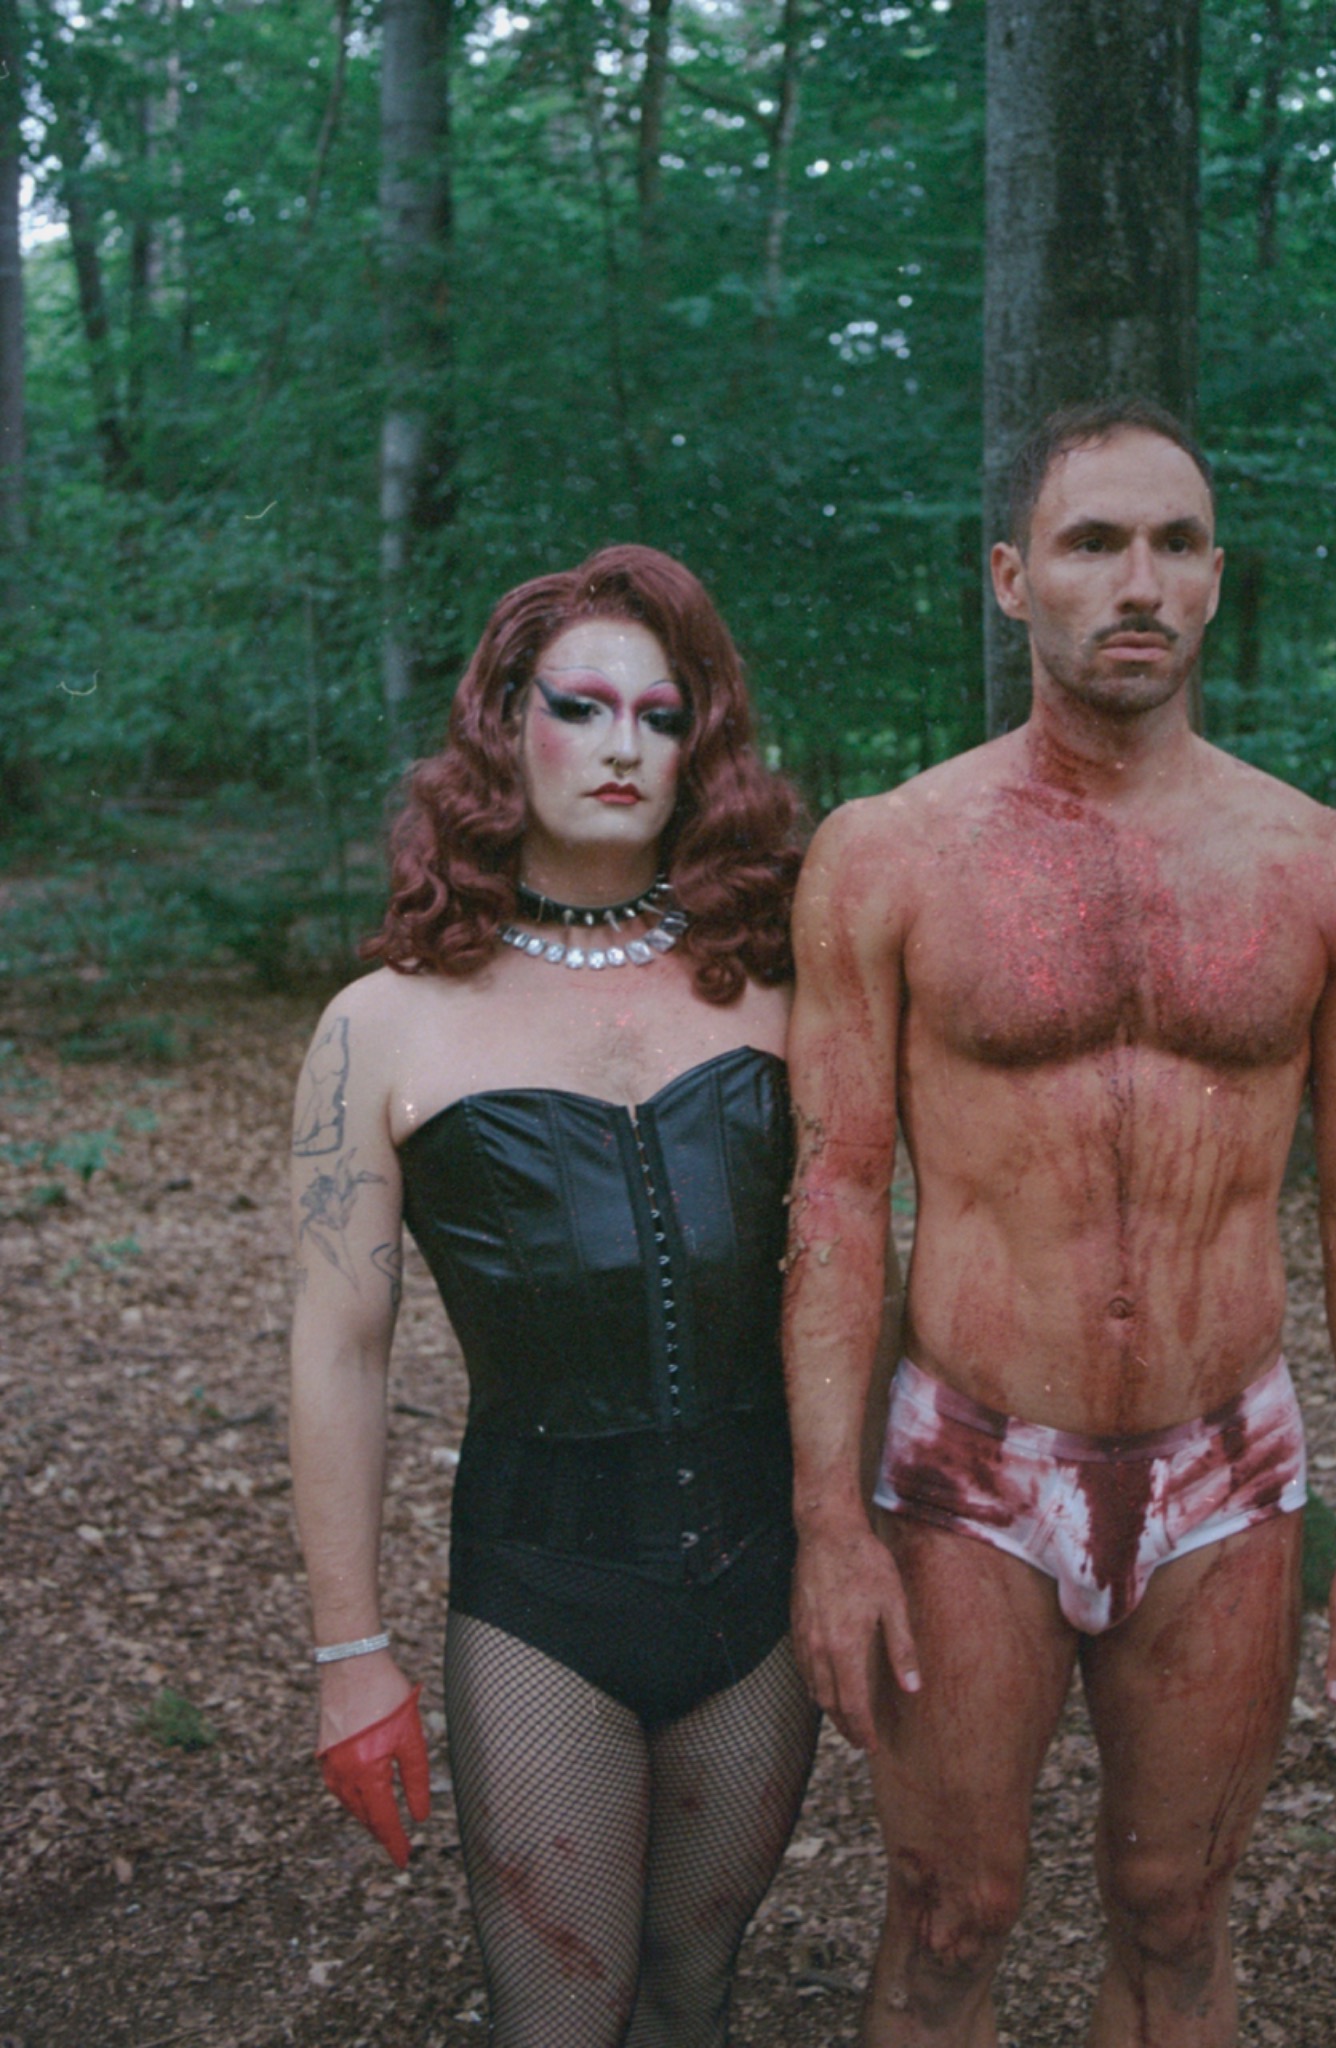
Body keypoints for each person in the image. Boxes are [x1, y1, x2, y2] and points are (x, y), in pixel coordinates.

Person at [783, 399, 1336, 2047]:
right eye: (1091, 543)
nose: (1136, 582)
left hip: (1228, 1468)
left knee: (1175, 1911)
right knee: (949, 1916)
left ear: (1215, 577)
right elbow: (835, 1192)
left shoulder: (1327, 867)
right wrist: (829, 1525)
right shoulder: (887, 856)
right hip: (965, 1464)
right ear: (1012, 579)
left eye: (1172, 544)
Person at [288, 545, 819, 2048]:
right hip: (540, 1594)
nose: (619, 746)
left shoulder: (787, 986)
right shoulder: (380, 1027)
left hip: (766, 1583)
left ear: (700, 747)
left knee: (694, 1992)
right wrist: (351, 1656)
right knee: (560, 2016)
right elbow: (339, 1349)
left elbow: (866, 1276)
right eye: (580, 707)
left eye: (660, 716)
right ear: (504, 726)